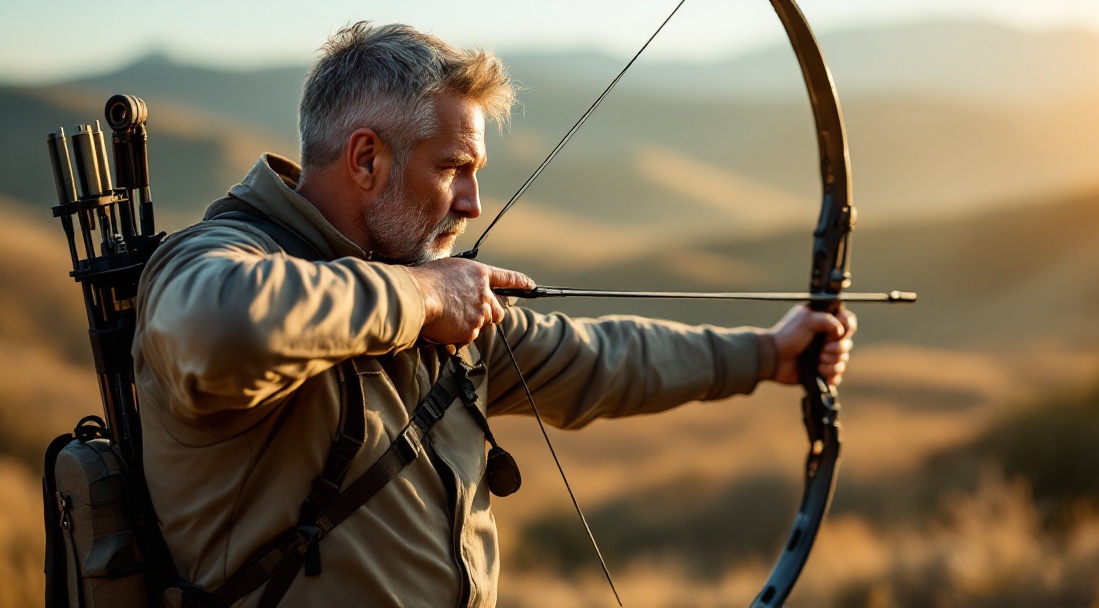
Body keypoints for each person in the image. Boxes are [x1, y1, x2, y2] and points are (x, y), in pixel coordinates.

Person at [131, 22, 856, 608]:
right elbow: (215, 334)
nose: (472, 204)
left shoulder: (420, 290)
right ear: (365, 160)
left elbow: (603, 361)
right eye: (452, 168)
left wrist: (770, 354)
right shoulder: (220, 256)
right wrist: (425, 298)